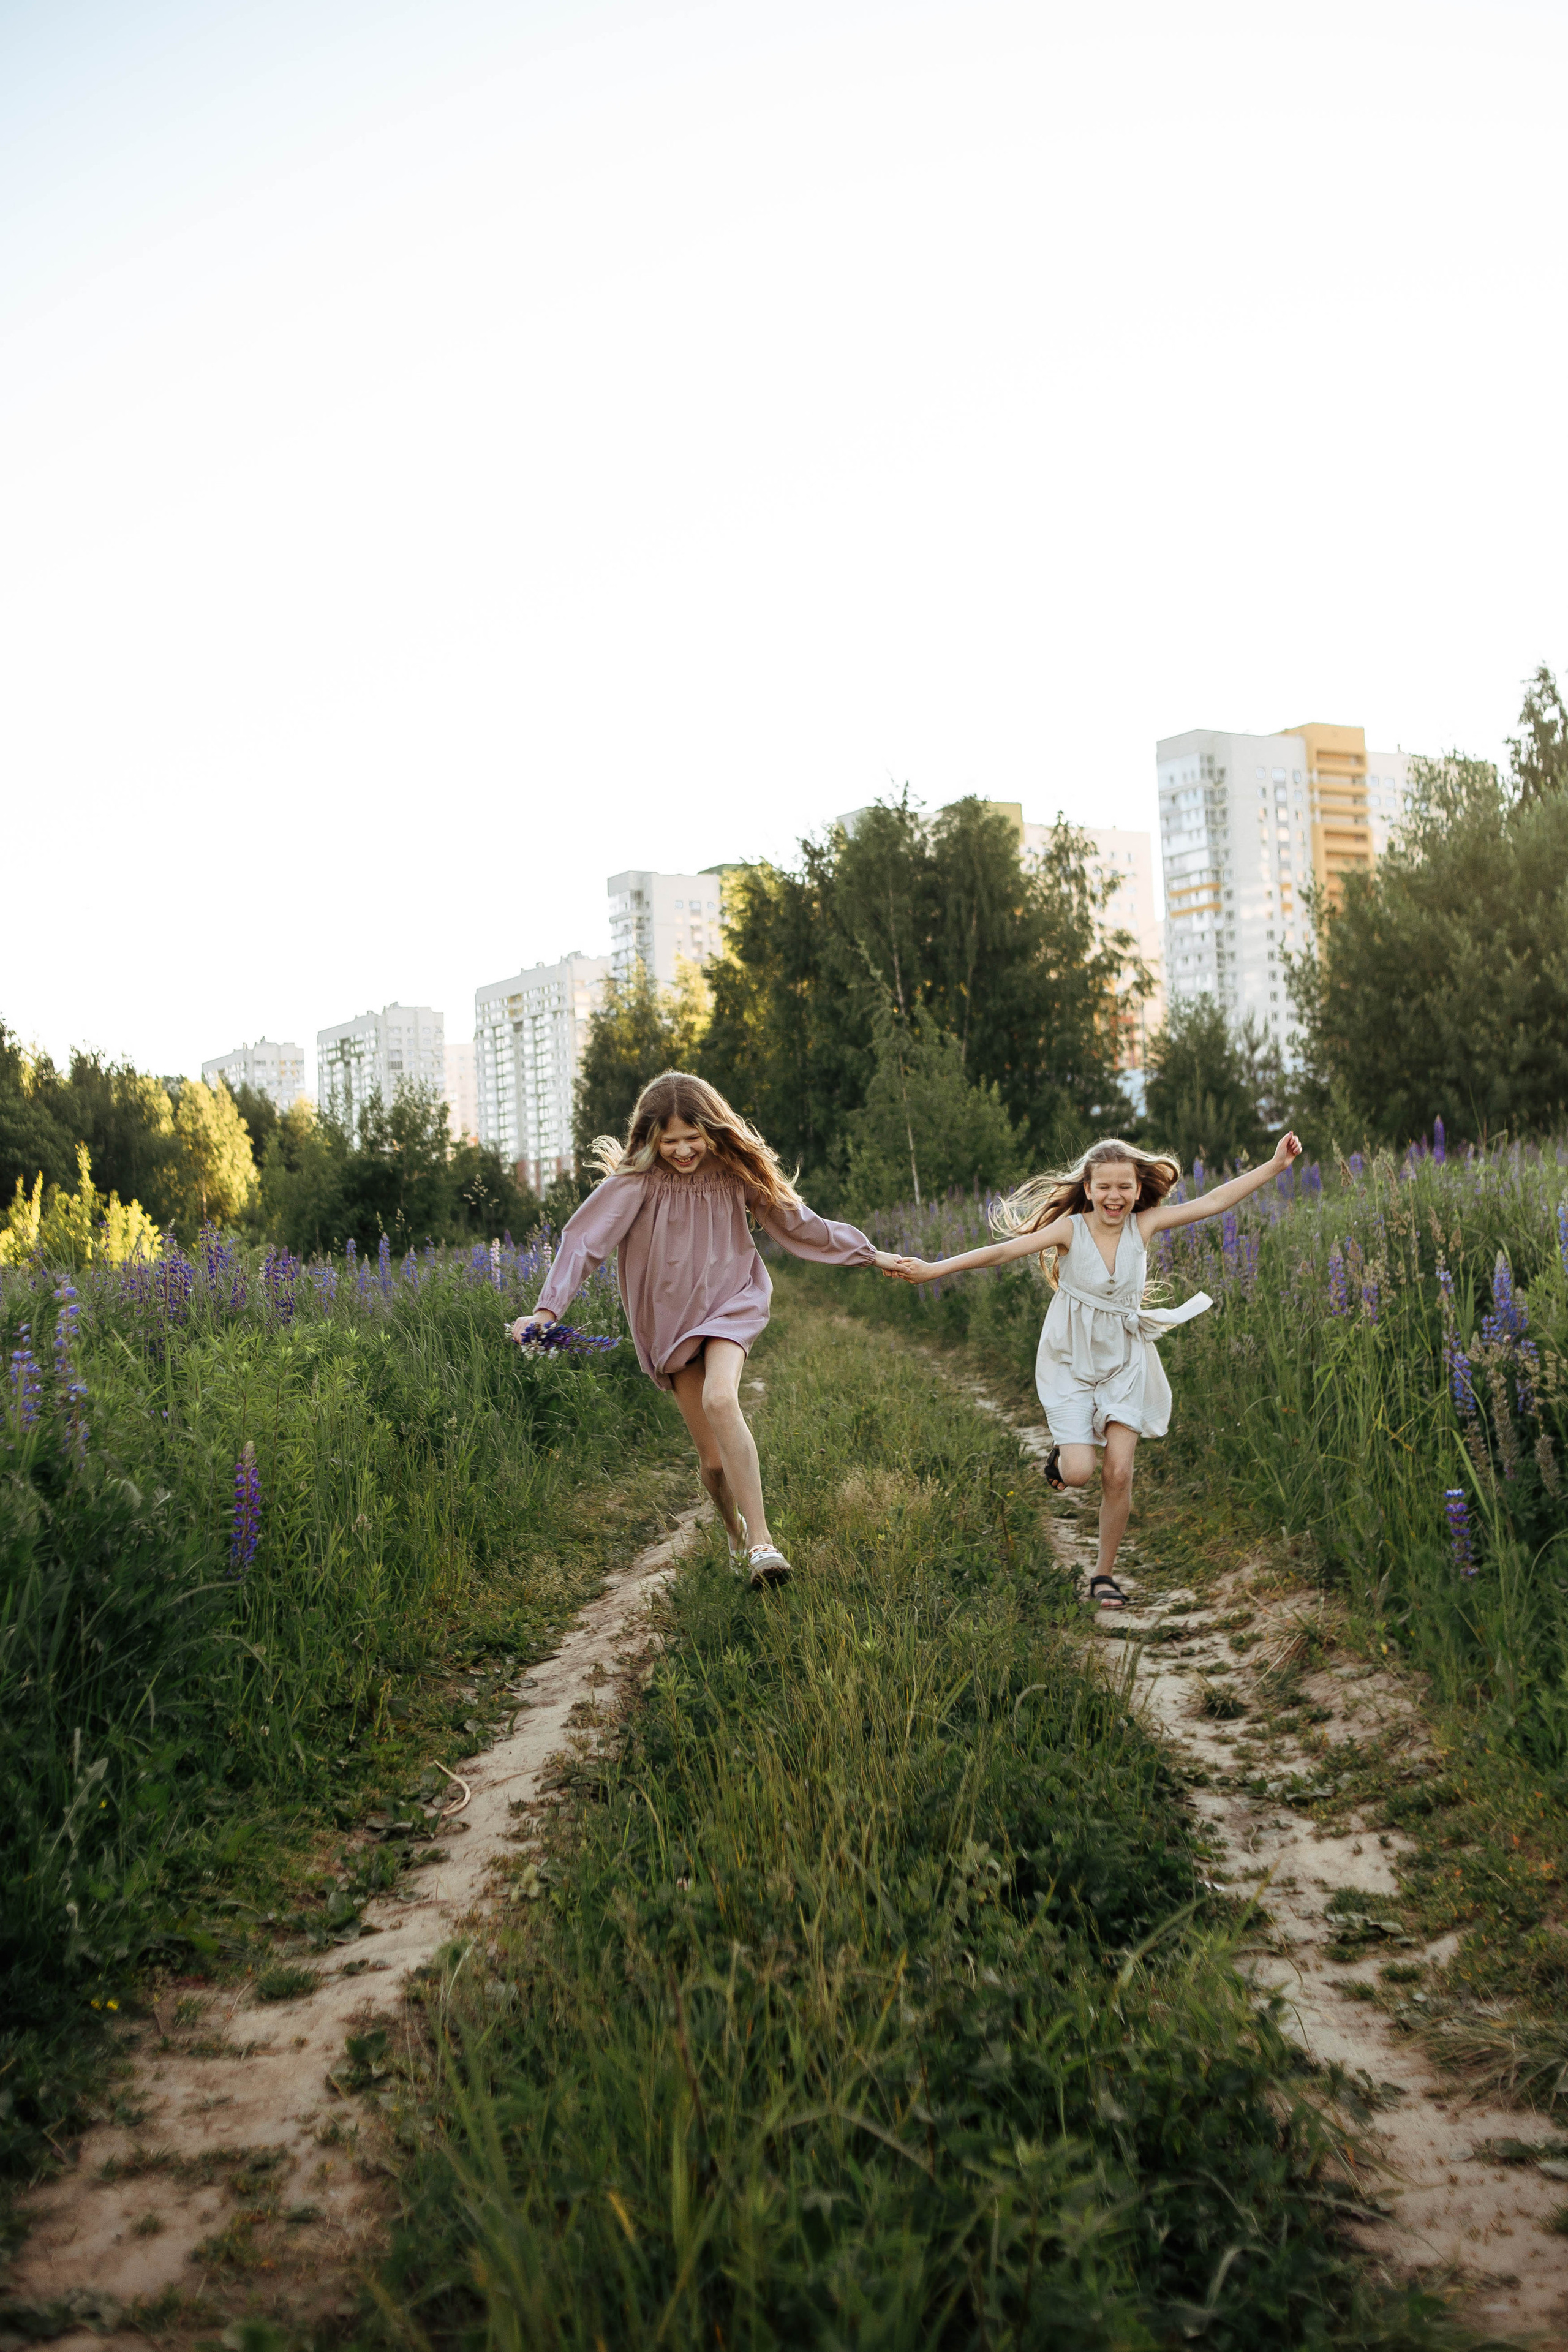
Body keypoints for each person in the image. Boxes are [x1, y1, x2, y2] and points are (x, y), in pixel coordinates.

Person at [509, 1070, 902, 1589]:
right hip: (670, 1323)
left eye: (692, 1137)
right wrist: (547, 1312)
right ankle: (735, 1533)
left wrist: (871, 1255)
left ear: (712, 1129)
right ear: (650, 1139)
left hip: (732, 1300)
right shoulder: (636, 1182)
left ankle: (763, 1543)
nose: (682, 1151)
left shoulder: (735, 1172)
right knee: (714, 1465)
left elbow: (799, 1222)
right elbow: (583, 1241)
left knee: (722, 1399)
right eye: (668, 1141)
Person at [884, 1131, 1303, 1606]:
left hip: (1126, 1360)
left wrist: (1275, 1166)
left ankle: (1104, 1575)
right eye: (1104, 1186)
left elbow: (1213, 1202)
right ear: (1087, 1188)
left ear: (1138, 1189)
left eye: (1124, 1186)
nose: (1114, 1196)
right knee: (1080, 1473)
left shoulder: (1144, 1225)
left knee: (1118, 1473)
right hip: (1070, 1360)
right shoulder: (1071, 1231)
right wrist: (934, 1269)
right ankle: (1064, 1456)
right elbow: (1000, 1253)